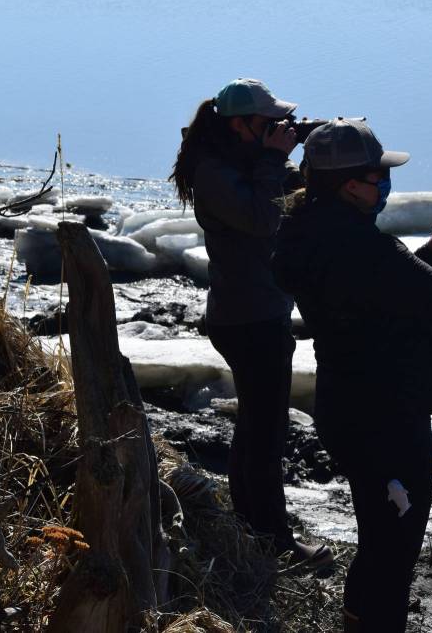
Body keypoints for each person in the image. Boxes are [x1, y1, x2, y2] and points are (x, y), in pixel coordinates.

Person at [272, 119, 432, 631]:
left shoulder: (303, 232)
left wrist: (429, 255)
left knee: (377, 541)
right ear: (348, 184)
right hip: (388, 420)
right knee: (392, 553)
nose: (385, 184)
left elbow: (366, 298)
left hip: (345, 404)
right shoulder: (368, 250)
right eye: (377, 175)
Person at [169, 78, 332, 566]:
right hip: (249, 318)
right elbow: (263, 221)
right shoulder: (215, 173)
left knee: (256, 430)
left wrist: (305, 153)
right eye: (270, 123)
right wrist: (272, 159)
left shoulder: (238, 162)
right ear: (242, 126)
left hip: (255, 313)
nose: (279, 128)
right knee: (266, 436)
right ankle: (275, 540)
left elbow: (293, 204)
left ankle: (253, 527)